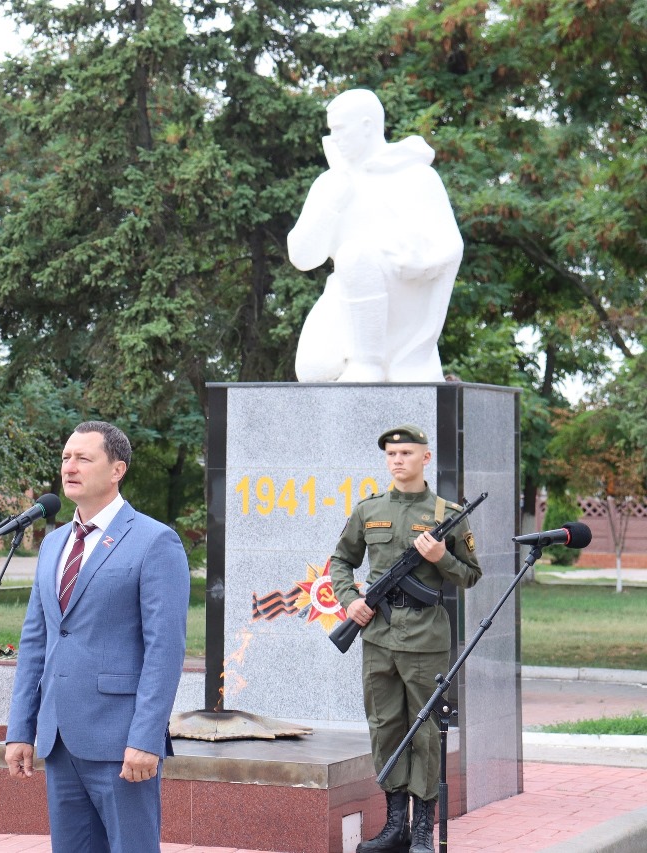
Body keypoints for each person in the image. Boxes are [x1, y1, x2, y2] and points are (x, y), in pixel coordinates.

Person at [0, 420, 190, 853]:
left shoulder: (154, 541)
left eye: (84, 458)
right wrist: (21, 729)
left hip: (121, 743)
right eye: (67, 457)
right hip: (60, 739)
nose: (70, 466)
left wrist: (146, 738)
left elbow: (165, 650)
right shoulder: (53, 544)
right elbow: (36, 643)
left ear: (117, 469)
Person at [329, 425, 482, 853]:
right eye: (391, 454)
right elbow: (341, 559)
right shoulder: (368, 509)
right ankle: (395, 824)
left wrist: (442, 557)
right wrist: (349, 601)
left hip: (424, 638)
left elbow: (470, 575)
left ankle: (421, 830)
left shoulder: (445, 512)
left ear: (425, 459)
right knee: (384, 727)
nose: (397, 460)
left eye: (406, 453)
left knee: (426, 733)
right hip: (377, 635)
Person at [288, 88, 463, 384]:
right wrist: (332, 202)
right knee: (313, 371)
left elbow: (450, 245)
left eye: (340, 130)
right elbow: (303, 258)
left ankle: (367, 363)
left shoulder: (415, 177)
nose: (334, 140)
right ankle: (358, 357)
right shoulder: (330, 183)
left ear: (367, 126)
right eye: (331, 132)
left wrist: (423, 262)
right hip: (348, 296)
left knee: (355, 253)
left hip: (404, 297)